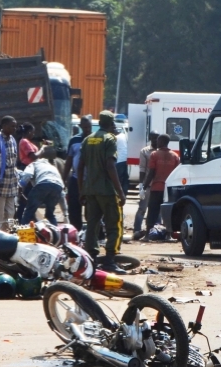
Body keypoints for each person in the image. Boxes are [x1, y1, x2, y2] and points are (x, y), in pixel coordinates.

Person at [78, 110, 127, 271]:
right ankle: (110, 260)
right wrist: (120, 191)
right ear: (111, 124)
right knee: (115, 224)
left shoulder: (87, 140)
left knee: (92, 225)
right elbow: (110, 165)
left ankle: (91, 259)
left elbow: (80, 167)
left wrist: (81, 190)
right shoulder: (110, 139)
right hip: (107, 190)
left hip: (90, 190)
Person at [143, 135, 181, 232]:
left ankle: (148, 233)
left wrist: (144, 187)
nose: (157, 142)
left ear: (162, 141)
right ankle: (168, 234)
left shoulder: (154, 154)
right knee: (169, 212)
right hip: (169, 190)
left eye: (158, 140)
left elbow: (151, 173)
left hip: (156, 188)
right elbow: (177, 174)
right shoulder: (175, 156)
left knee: (152, 211)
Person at [20, 147, 66, 224]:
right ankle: (54, 231)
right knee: (50, 214)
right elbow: (62, 193)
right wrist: (66, 214)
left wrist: (21, 186)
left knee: (28, 212)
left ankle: (23, 230)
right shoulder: (52, 167)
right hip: (58, 186)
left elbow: (27, 175)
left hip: (43, 184)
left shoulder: (34, 164)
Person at [64, 116, 92, 230]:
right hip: (75, 179)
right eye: (85, 127)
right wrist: (64, 178)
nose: (87, 130)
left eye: (89, 127)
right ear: (80, 127)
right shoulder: (74, 140)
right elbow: (69, 161)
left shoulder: (95, 140)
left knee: (91, 209)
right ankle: (76, 232)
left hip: (91, 180)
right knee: (74, 208)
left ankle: (92, 233)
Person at [132, 133, 159, 240]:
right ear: (150, 138)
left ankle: (157, 231)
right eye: (153, 138)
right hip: (148, 185)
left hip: (158, 185)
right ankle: (137, 230)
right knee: (142, 208)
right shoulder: (145, 151)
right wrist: (141, 185)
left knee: (158, 210)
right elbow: (142, 169)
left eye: (157, 138)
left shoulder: (161, 151)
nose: (155, 140)